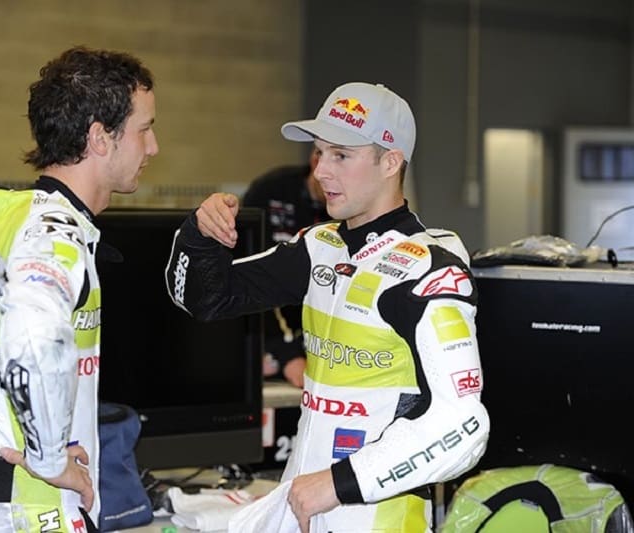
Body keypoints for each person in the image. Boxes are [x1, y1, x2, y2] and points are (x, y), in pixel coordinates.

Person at [165, 82, 489, 532]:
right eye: (319, 153)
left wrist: (339, 483)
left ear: (390, 162)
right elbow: (204, 299)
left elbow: (463, 425)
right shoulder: (320, 247)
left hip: (375, 518)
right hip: (303, 503)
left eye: (341, 155)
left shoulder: (429, 267)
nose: (320, 171)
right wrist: (201, 234)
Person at [0, 46, 158, 532]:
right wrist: (50, 459)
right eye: (144, 129)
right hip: (33, 506)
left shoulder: (4, 220)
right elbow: (32, 341)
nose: (153, 148)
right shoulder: (53, 231)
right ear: (100, 137)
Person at [242, 147, 328, 387]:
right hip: (270, 330)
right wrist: (285, 354)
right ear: (316, 161)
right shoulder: (270, 191)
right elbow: (254, 276)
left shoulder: (354, 208)